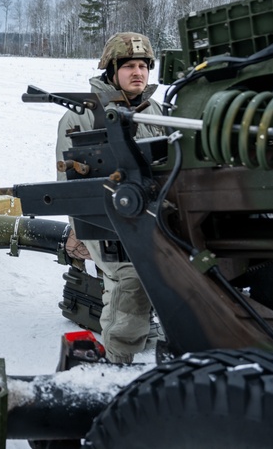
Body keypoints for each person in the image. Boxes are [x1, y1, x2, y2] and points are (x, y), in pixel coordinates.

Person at [55, 32, 164, 363]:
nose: (138, 73)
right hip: (101, 218)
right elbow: (67, 182)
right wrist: (80, 229)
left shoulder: (155, 109)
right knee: (130, 276)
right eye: (129, 66)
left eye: (144, 66)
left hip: (148, 212)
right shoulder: (81, 114)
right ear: (111, 70)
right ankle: (117, 357)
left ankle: (140, 323)